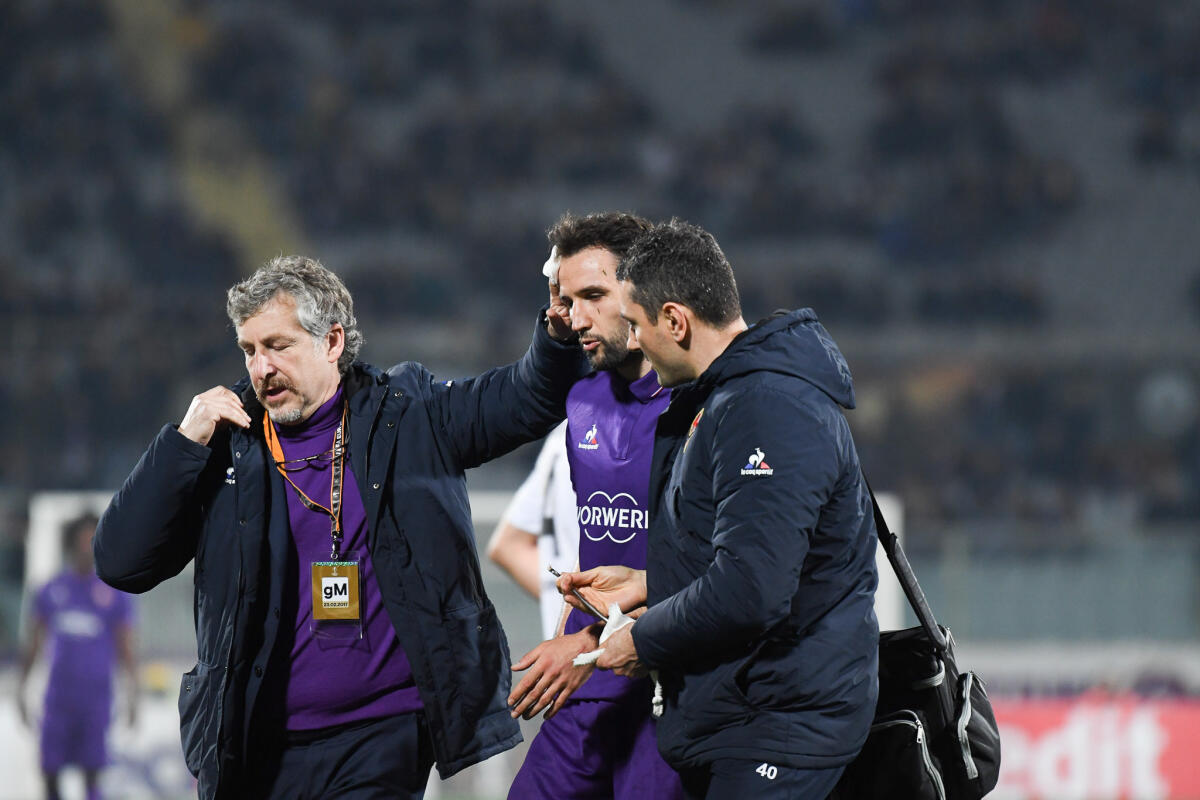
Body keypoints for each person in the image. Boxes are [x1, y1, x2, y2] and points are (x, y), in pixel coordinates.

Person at [93, 256, 587, 800]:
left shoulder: (410, 412)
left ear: (331, 342)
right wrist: (182, 443)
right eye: (249, 350)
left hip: (383, 733)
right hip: (256, 741)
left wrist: (558, 337)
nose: (261, 368)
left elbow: (524, 399)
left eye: (278, 346)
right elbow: (122, 562)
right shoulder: (225, 444)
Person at [558, 219, 880, 799]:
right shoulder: (731, 398)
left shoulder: (765, 406)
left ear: (675, 321)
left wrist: (646, 639)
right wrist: (651, 583)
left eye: (636, 324)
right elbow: (766, 559)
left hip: (780, 726)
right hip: (754, 717)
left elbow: (753, 588)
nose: (633, 342)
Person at [505, 212, 684, 800]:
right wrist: (573, 639)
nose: (576, 317)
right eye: (567, 298)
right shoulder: (580, 401)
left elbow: (718, 575)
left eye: (593, 296)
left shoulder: (699, 409)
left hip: (667, 687)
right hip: (585, 682)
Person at [18, 513, 138, 800]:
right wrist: (21, 688)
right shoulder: (50, 590)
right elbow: (33, 644)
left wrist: (135, 694)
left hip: (95, 702)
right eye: (82, 538)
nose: (87, 545)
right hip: (58, 701)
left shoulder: (115, 594)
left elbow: (126, 649)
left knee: (93, 778)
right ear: (70, 542)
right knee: (49, 774)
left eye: (93, 539)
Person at [486, 419, 578, 641]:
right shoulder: (636, 429)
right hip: (618, 651)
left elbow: (509, 545)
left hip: (569, 648)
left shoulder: (571, 425)